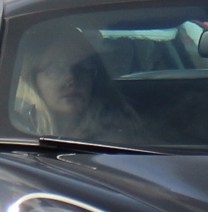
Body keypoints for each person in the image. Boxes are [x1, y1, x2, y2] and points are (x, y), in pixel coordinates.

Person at [10, 24, 142, 142]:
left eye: (81, 69)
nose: (71, 78)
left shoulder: (118, 127)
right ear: (32, 79)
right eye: (55, 69)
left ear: (93, 78)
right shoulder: (16, 132)